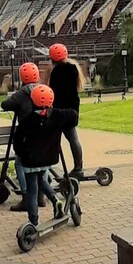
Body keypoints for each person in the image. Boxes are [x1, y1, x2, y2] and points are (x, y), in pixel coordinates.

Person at [14, 85, 72, 226]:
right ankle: (55, 200)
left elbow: (17, 142)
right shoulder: (58, 116)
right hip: (48, 158)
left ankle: (33, 221)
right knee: (41, 179)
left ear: (33, 101)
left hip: (31, 160)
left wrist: (22, 154)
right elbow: (73, 116)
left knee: (32, 191)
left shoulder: (27, 120)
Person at [1, 62, 45, 212]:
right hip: (44, 134)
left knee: (20, 163)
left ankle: (27, 197)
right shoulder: (43, 90)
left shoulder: (21, 93)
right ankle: (41, 195)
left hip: (27, 137)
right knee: (43, 163)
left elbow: (5, 104)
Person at [47, 44, 86, 177]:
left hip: (59, 111)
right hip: (72, 110)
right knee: (73, 139)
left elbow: (52, 92)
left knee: (52, 139)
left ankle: (46, 167)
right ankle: (78, 167)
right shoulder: (74, 68)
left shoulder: (56, 72)